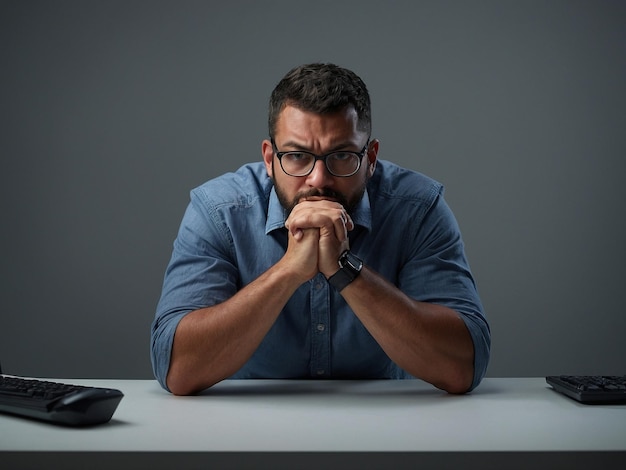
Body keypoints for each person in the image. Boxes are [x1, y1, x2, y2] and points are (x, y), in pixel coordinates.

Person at [151, 63, 490, 396]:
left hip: (387, 429)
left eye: (341, 155)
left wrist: (345, 270)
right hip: (249, 431)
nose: (319, 179)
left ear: (370, 158)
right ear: (269, 159)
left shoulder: (418, 208)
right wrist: (287, 271)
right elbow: (177, 369)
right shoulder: (218, 211)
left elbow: (462, 367)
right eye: (297, 155)